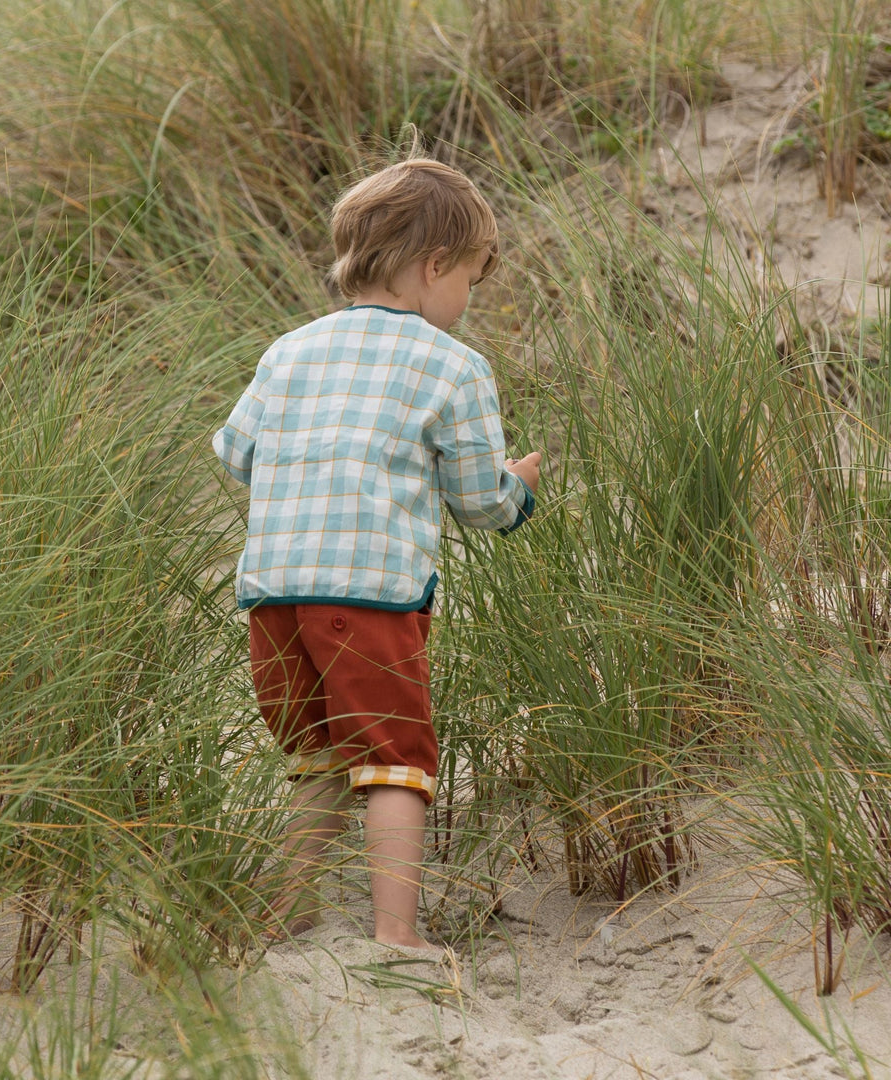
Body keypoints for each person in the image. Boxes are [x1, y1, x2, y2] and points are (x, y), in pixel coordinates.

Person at [213, 158, 542, 950]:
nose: (466, 300)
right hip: (371, 598)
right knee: (396, 760)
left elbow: (234, 452)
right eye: (468, 279)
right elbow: (478, 500)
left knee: (318, 755)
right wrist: (518, 487)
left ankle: (282, 910)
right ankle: (396, 935)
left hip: (272, 597)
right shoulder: (454, 366)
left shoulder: (288, 351)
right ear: (433, 268)